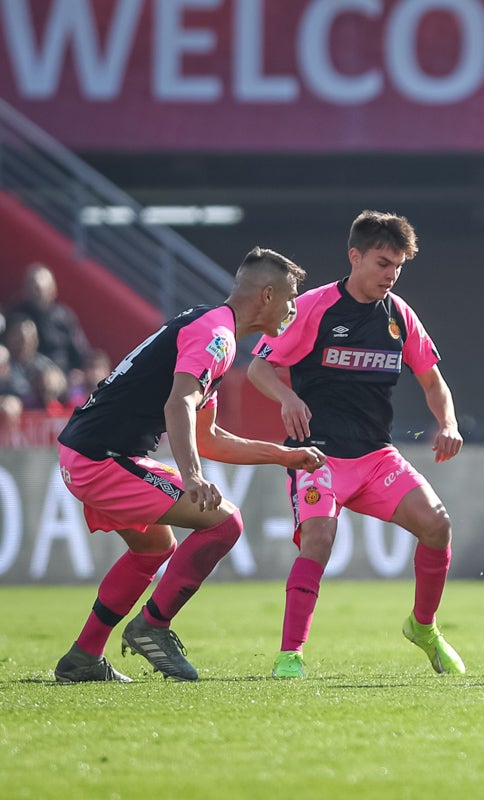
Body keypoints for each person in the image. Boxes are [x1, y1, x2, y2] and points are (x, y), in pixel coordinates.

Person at [53, 247, 324, 683]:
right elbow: (179, 401)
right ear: (267, 295)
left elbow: (207, 438)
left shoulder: (212, 327)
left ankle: (82, 658)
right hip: (101, 459)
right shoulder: (217, 335)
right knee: (224, 523)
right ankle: (153, 626)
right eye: (291, 297)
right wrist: (193, 475)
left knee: (155, 550)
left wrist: (282, 455)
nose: (294, 308)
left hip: (91, 453)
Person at [247, 210, 465, 679]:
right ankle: (291, 656)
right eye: (383, 263)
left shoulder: (400, 316)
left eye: (399, 266)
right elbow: (258, 368)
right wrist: (287, 396)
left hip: (374, 457)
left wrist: (446, 421)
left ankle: (423, 628)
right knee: (320, 539)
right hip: (317, 455)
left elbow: (433, 381)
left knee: (438, 526)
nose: (392, 275)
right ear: (355, 257)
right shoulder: (312, 307)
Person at [8, 263, 92, 378]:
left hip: (63, 376)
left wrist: (80, 372)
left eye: (38, 289)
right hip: (28, 375)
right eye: (30, 286)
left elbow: (81, 351)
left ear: (52, 290)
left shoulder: (64, 315)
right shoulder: (17, 313)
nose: (34, 292)